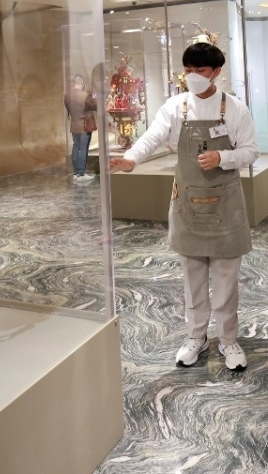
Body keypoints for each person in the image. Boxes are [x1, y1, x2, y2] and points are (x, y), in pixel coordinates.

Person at [110, 42, 259, 371]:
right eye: (188, 70)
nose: (192, 76)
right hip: (188, 204)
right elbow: (152, 136)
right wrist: (132, 158)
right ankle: (196, 337)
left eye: (199, 70)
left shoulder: (235, 109)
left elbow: (250, 151)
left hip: (225, 205)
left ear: (216, 72)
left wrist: (223, 157)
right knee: (192, 279)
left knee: (226, 279)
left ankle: (228, 339)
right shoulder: (176, 106)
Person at [65, 73, 98, 182]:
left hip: (74, 125)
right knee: (83, 149)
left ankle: (75, 173)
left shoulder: (67, 95)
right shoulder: (85, 95)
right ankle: (81, 173)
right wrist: (95, 95)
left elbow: (68, 108)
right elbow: (95, 106)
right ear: (82, 82)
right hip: (85, 126)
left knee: (76, 147)